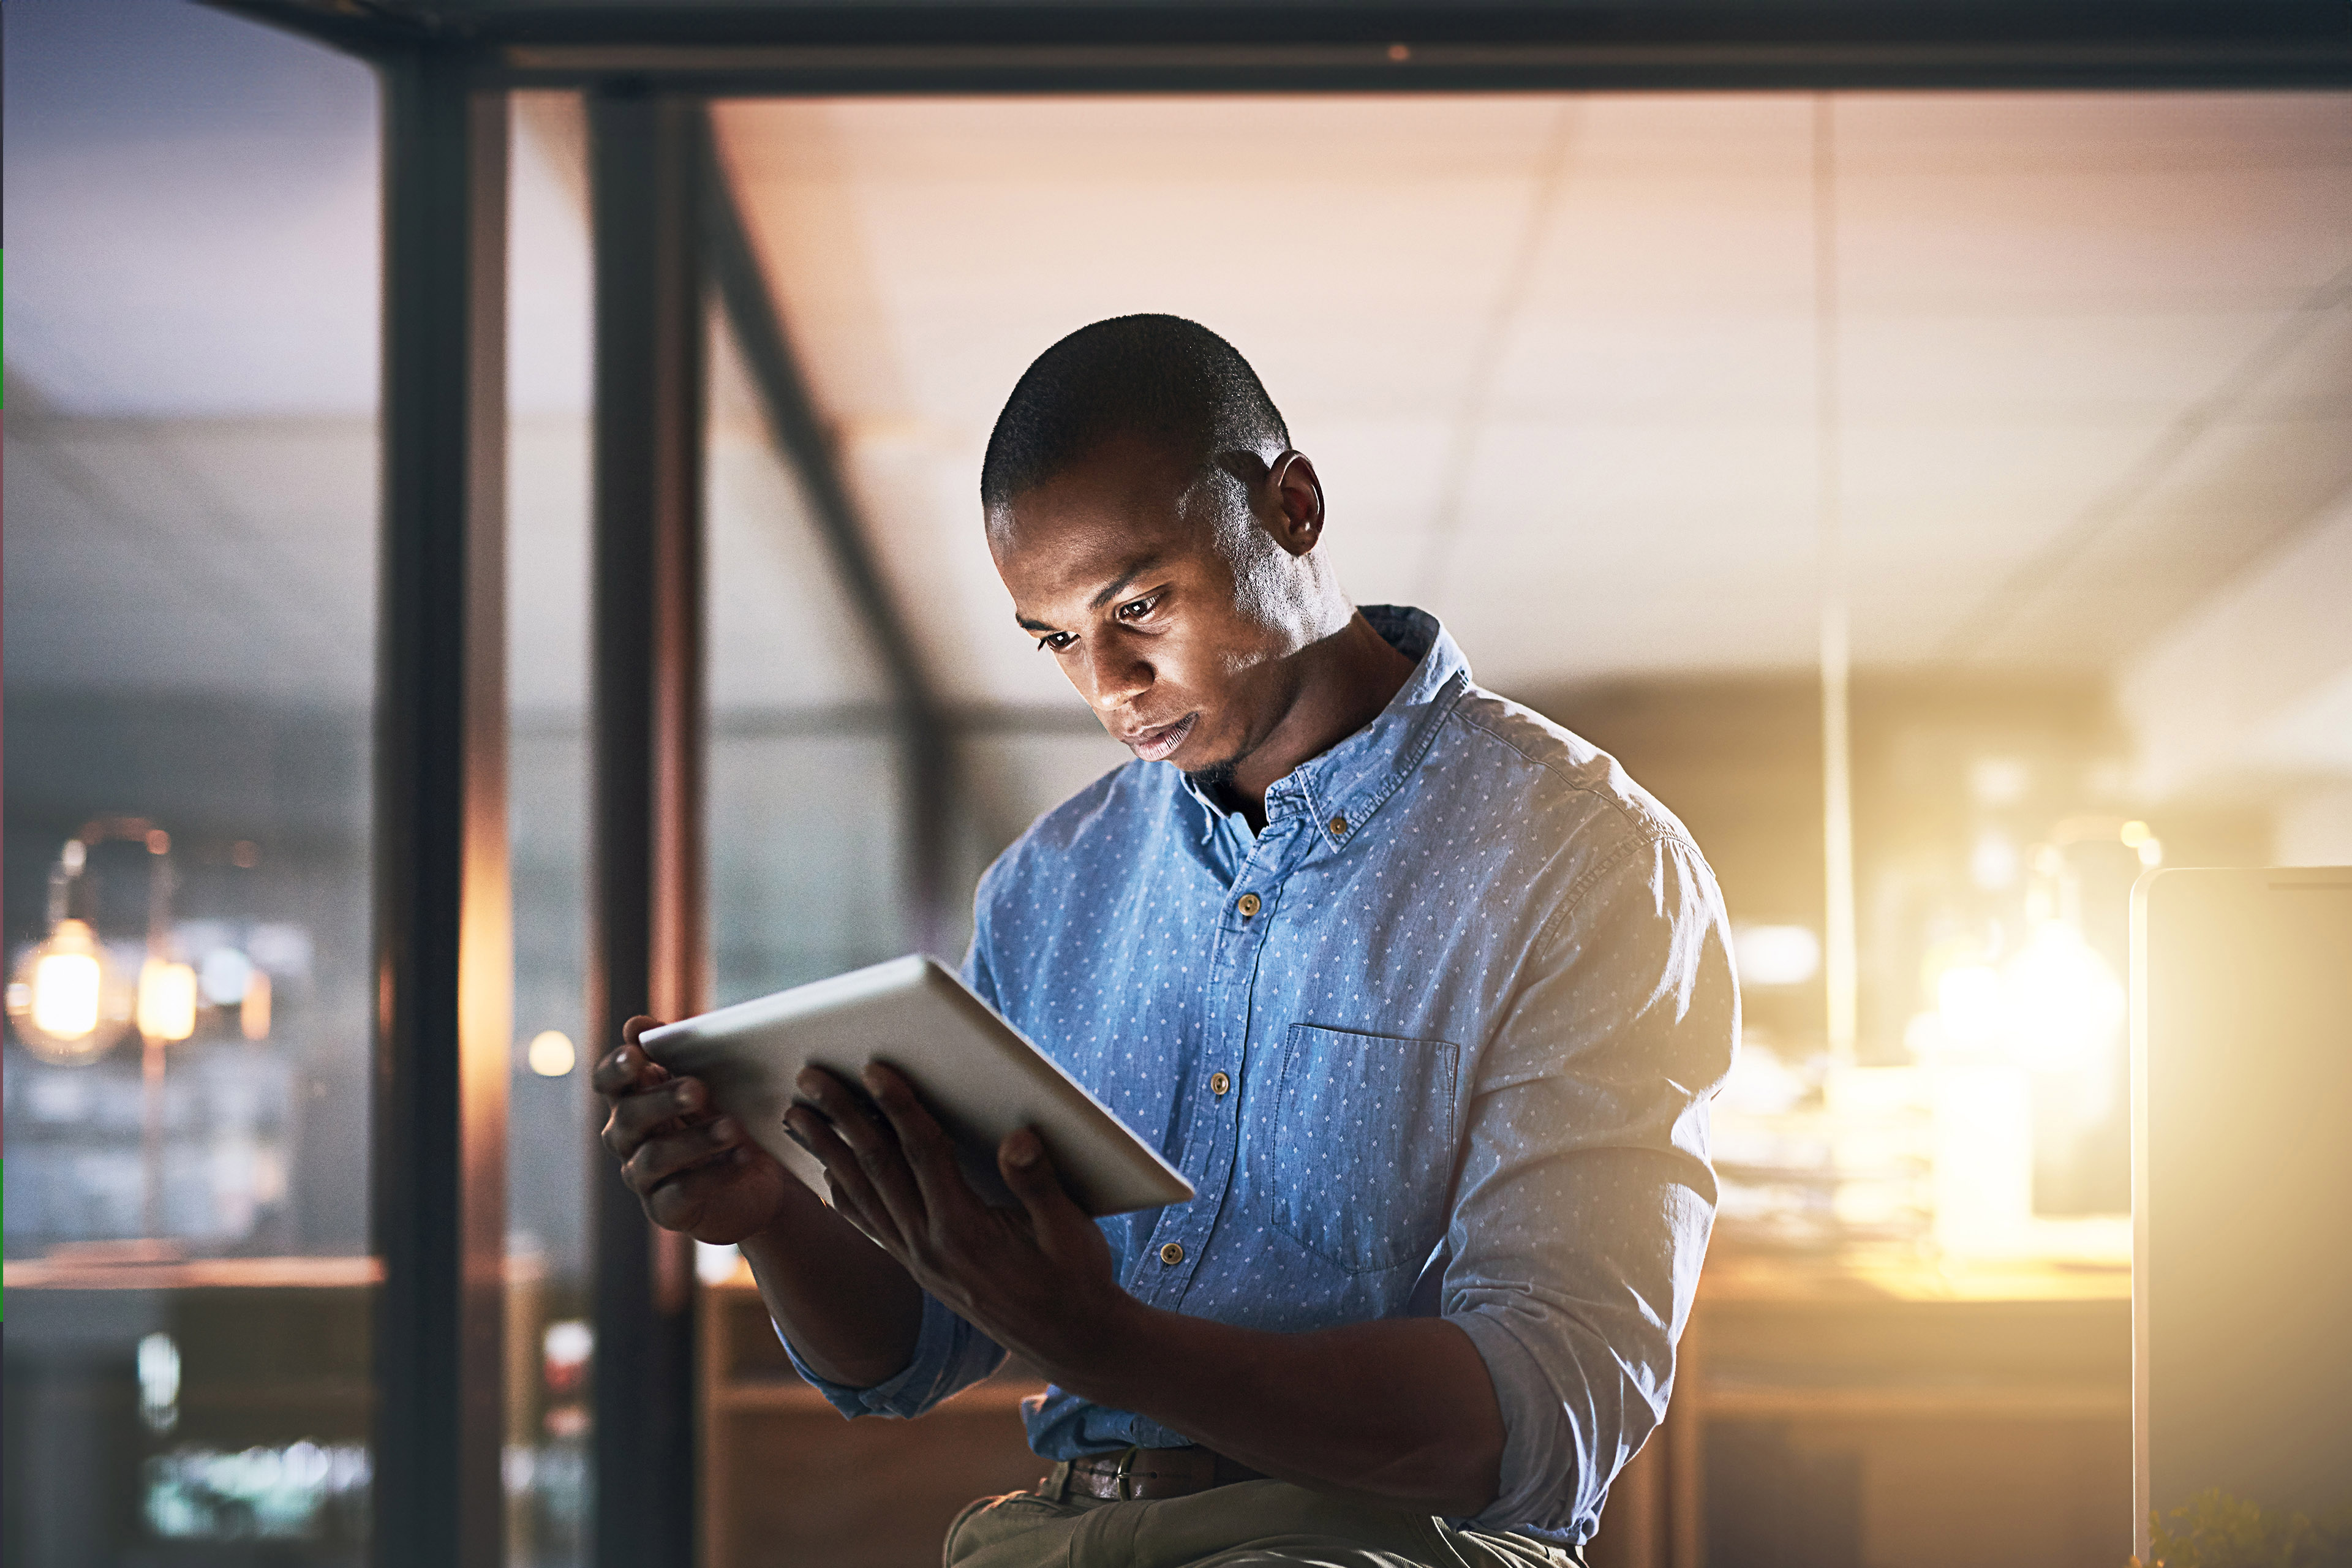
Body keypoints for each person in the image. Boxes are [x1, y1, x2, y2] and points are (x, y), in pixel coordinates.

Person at [594, 314, 1736, 1567]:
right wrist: (769, 1212)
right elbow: (911, 1353)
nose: (1109, 683)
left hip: (1382, 1540)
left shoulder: (1583, 860)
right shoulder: (1051, 884)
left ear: (1292, 506)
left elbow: (1544, 1410)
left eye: (1137, 603)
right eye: (1057, 639)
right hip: (1050, 1531)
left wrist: (1109, 1340)